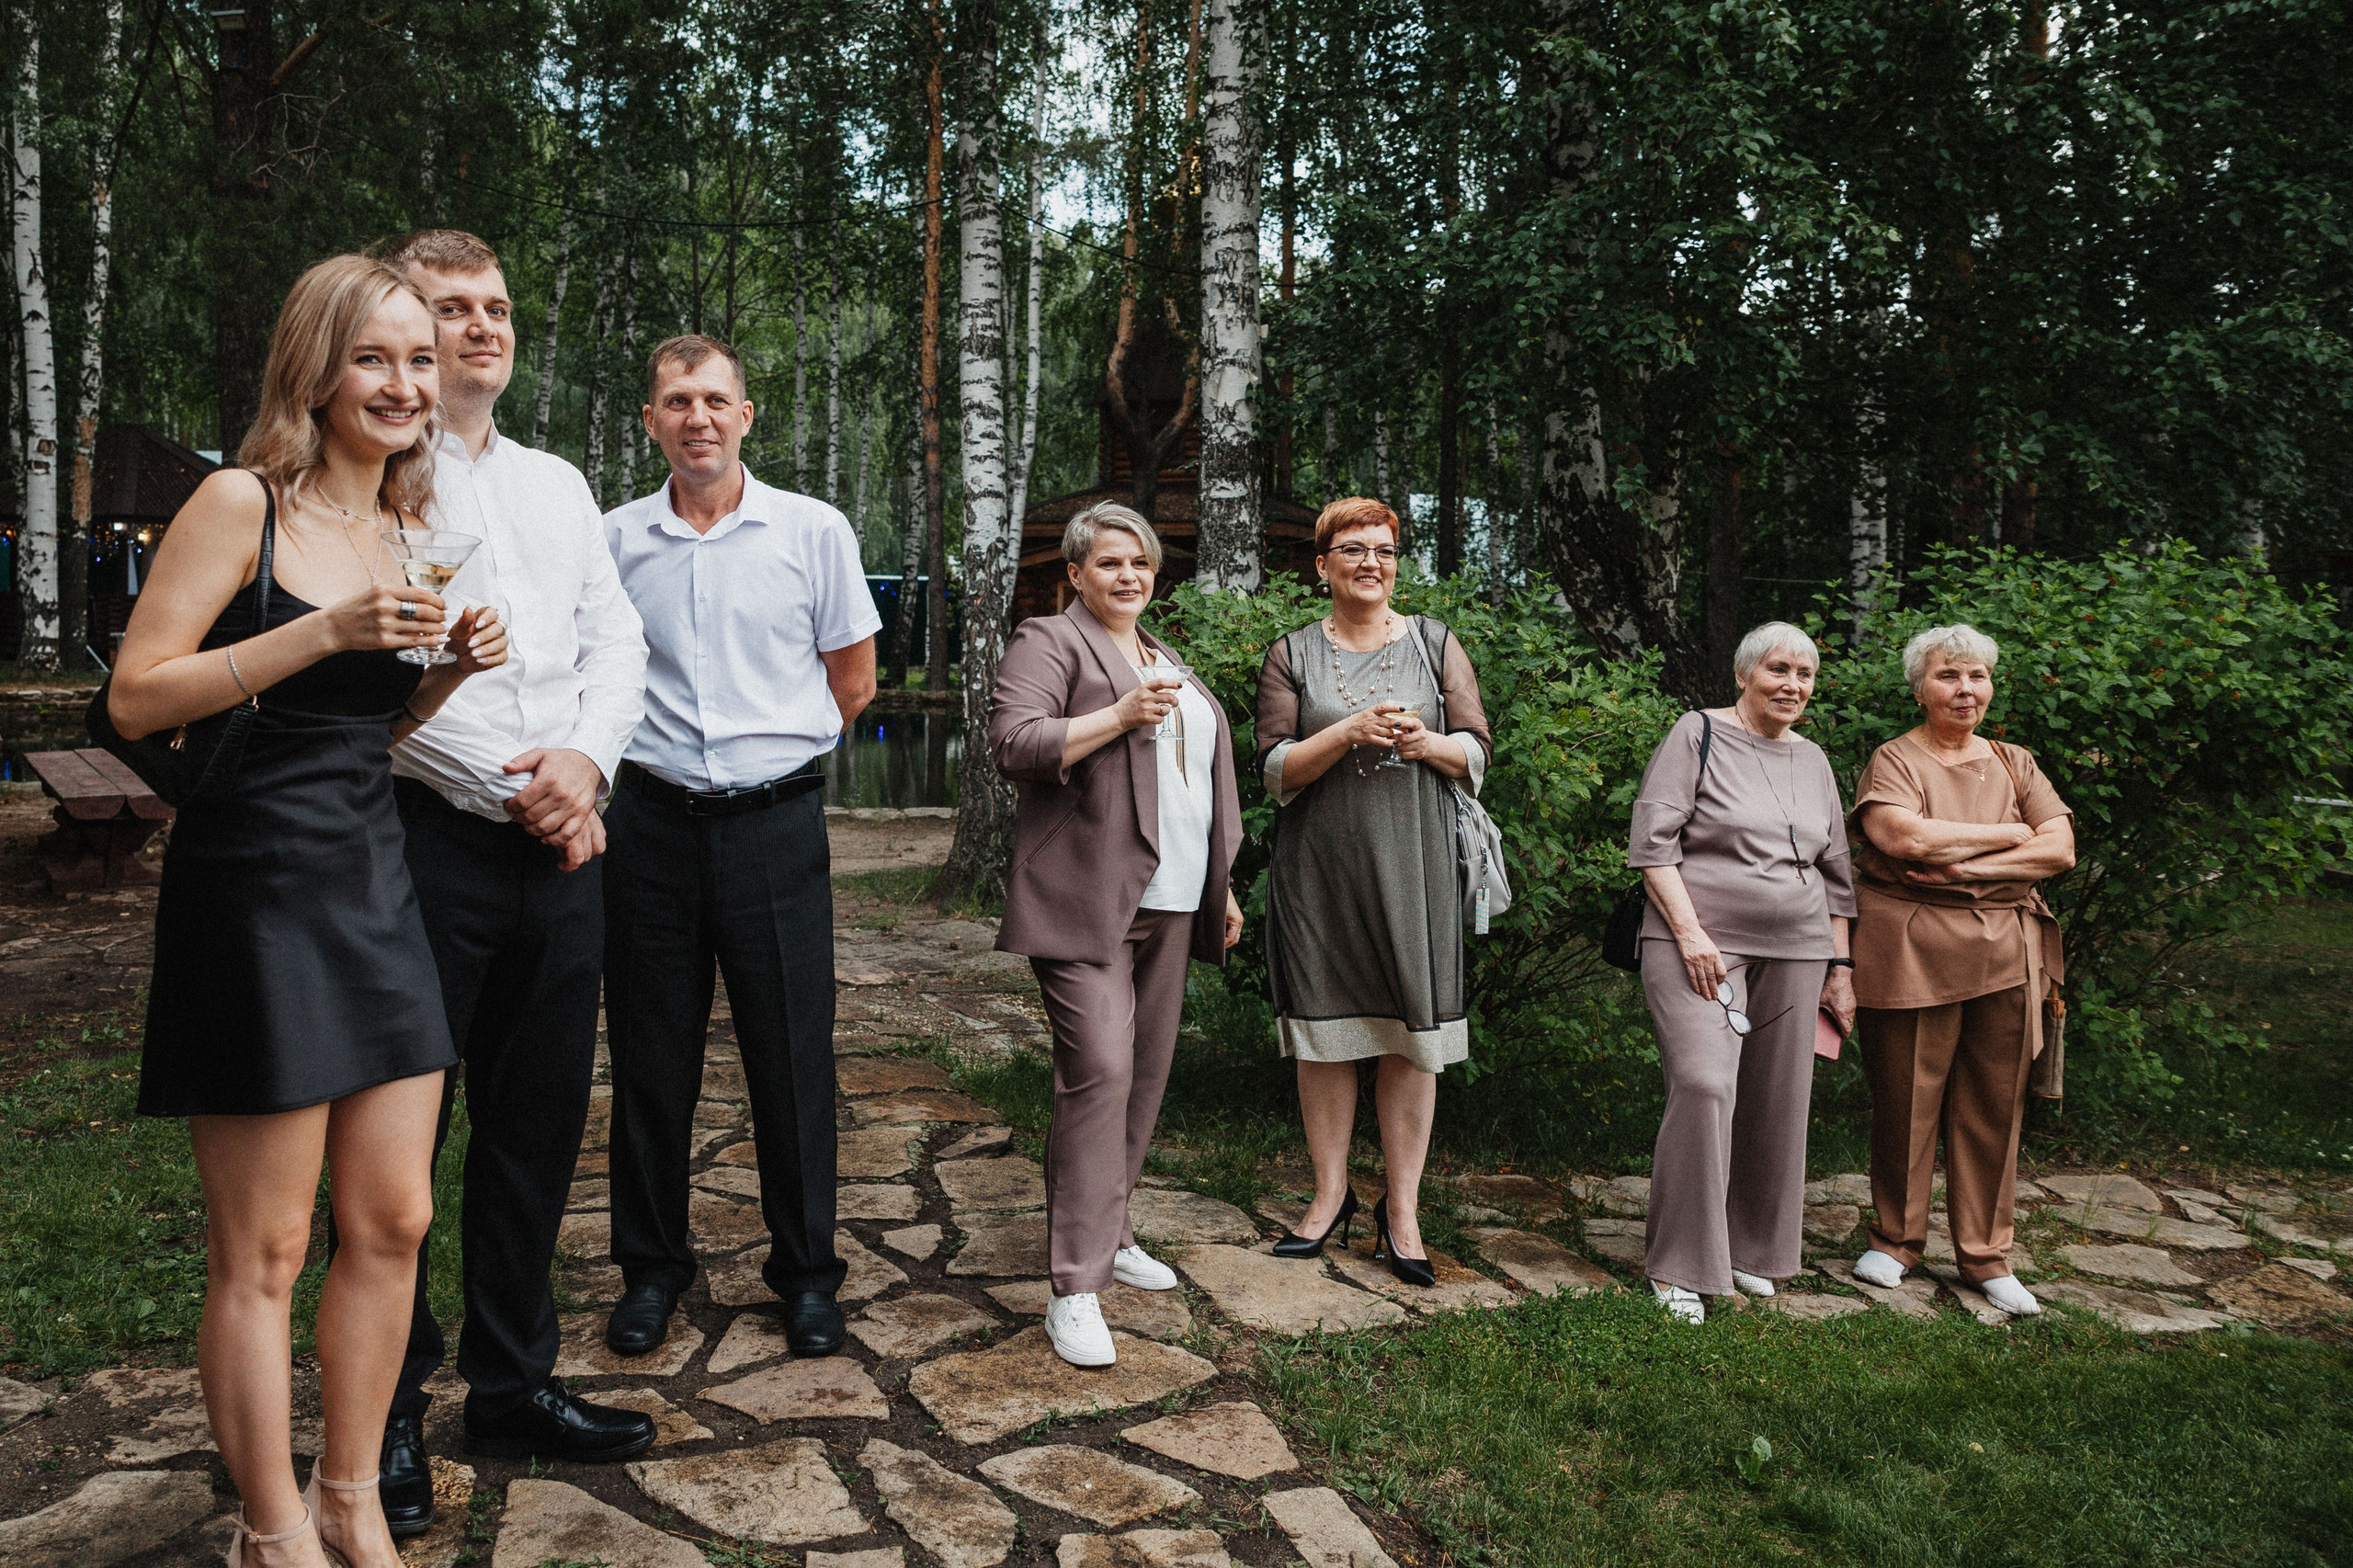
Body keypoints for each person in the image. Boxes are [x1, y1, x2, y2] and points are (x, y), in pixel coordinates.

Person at [113, 254, 507, 1568]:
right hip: (254, 893)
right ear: (316, 368)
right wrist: (322, 631)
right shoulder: (243, 503)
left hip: (371, 879)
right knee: (268, 1243)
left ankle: (349, 1495)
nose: (404, 384)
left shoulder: (405, 526)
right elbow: (138, 698)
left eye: (418, 359)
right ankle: (272, 1528)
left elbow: (370, 731)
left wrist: (441, 670)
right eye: (374, 358)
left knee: (393, 1218)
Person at [361, 230, 654, 1533]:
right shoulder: (368, 482)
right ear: (403, 331)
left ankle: (513, 1381)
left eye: (495, 307)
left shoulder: (557, 480)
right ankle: (384, 1418)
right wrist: (519, 790)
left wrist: (585, 764)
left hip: (566, 846)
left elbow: (615, 637)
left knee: (535, 1125)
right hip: (425, 843)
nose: (480, 328)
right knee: (398, 1153)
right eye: (449, 310)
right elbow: (380, 691)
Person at [599, 334, 881, 1361]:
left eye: (715, 399)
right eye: (677, 401)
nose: (698, 418)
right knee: (649, 1057)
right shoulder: (614, 539)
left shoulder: (812, 531)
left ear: (746, 414)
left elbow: (853, 681)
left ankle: (806, 1275)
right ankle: (652, 1268)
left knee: (792, 1057)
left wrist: (775, 766)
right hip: (650, 826)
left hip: (774, 828)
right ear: (651, 421)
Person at [990, 502, 1245, 1367]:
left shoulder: (1163, 654)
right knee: (1098, 1071)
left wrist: (1224, 884)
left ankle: (1114, 1224)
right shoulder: (1048, 641)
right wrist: (1119, 717)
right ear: (1076, 574)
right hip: (1084, 899)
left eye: (1140, 563)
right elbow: (1015, 743)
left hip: (1172, 896)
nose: (1129, 577)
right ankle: (1075, 1286)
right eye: (1109, 564)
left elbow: (1198, 784)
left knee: (1144, 1077)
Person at [1254, 497, 1492, 1287]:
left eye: (1384, 551)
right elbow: (1275, 770)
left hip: (1416, 862)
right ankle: (1328, 1197)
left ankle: (1403, 1212)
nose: (1370, 563)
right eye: (1352, 550)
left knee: (1411, 1033)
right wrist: (1347, 733)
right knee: (1325, 1029)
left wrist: (1432, 744)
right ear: (1321, 565)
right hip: (1319, 867)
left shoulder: (1435, 643)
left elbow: (1479, 748)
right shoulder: (1291, 653)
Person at [1627, 623, 1857, 1324]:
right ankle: (1677, 1266)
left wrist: (1840, 967)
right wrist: (1691, 933)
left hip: (1800, 945)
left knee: (1776, 1100)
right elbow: (1651, 845)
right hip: (1698, 938)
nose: (1793, 684)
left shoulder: (1813, 758)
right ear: (1743, 674)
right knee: (1703, 1083)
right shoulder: (1695, 734)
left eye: (1806, 673)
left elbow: (1837, 875)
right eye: (1779, 669)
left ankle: (1746, 1249)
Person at [1848, 624, 2075, 1317]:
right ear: (1920, 687)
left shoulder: (2014, 761)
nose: (1964, 689)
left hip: (2008, 950)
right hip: (1912, 947)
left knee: (1994, 1105)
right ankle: (1896, 1240)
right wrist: (2013, 836)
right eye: (1949, 676)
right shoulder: (1895, 758)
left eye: (1976, 676)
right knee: (1906, 1099)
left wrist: (1965, 865)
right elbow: (1902, 836)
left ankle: (1985, 1254)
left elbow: (2060, 849)